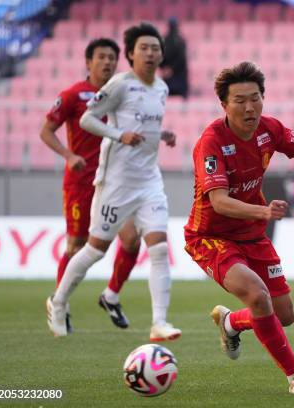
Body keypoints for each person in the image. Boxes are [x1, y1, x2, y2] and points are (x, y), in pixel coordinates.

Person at [183, 61, 294, 394]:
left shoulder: (270, 129)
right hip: (210, 237)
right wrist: (262, 211)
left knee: (284, 315)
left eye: (255, 98)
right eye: (240, 100)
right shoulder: (211, 142)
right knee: (258, 296)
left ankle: (231, 322)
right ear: (224, 105)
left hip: (251, 234)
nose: (249, 107)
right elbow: (219, 202)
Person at [47, 23, 182, 342]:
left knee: (159, 247)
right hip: (116, 183)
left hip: (149, 180)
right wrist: (119, 134)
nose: (150, 53)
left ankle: (159, 322)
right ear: (132, 54)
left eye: (155, 48)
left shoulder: (161, 88)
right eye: (144, 48)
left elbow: (143, 125)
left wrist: (160, 135)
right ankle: (59, 301)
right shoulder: (120, 85)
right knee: (94, 250)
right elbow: (87, 119)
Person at [40, 38, 141, 331]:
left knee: (132, 239)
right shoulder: (73, 95)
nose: (108, 62)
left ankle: (111, 295)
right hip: (81, 182)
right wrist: (68, 155)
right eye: (101, 57)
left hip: (115, 182)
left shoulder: (122, 94)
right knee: (76, 245)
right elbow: (46, 131)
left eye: (112, 57)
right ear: (88, 62)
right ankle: (60, 303)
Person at [160, 17, 188, 98]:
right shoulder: (180, 40)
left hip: (176, 77)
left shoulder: (165, 40)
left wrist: (166, 69)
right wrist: (168, 69)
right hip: (175, 77)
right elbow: (182, 59)